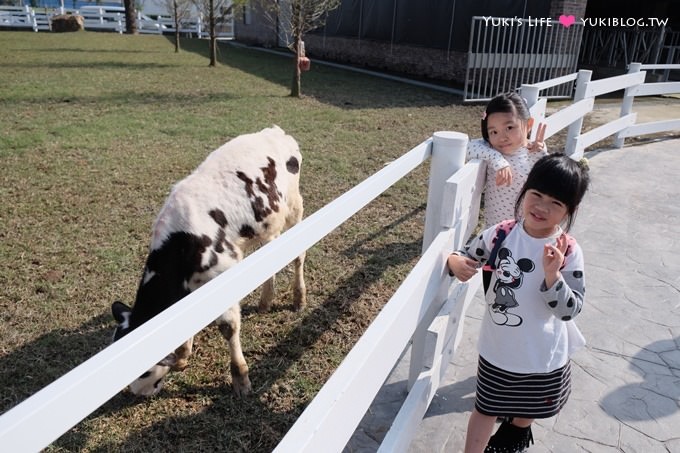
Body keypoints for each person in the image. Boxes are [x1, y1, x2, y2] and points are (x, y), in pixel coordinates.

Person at [447, 154, 590, 453]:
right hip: (498, 347)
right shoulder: (502, 233)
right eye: (536, 195)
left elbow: (569, 310)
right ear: (525, 190)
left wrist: (553, 275)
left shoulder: (569, 251)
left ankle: (513, 436)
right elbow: (467, 254)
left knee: (531, 406)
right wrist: (454, 261)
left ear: (569, 210)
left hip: (542, 352)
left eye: (556, 203)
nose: (541, 207)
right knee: (485, 407)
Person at [467, 91, 548, 294]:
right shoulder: (494, 153)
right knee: (494, 292)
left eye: (509, 128)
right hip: (496, 239)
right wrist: (498, 160)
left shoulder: (534, 154)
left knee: (524, 290)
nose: (501, 137)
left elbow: (550, 189)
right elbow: (468, 147)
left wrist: (542, 153)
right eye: (493, 131)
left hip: (528, 240)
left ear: (528, 125)